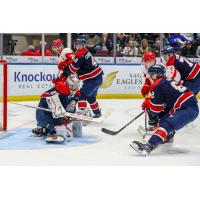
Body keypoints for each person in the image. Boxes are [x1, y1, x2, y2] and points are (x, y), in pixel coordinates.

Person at [130, 65, 199, 156]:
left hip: (187, 108)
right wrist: (150, 104)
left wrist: (148, 105)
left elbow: (155, 110)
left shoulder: (157, 85)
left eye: (150, 75)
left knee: (167, 124)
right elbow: (164, 105)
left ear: (155, 75)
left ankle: (148, 146)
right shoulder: (166, 81)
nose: (149, 77)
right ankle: (168, 137)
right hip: (186, 106)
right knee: (163, 119)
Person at [52, 38, 103, 118]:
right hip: (96, 78)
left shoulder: (79, 55)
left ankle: (82, 113)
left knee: (81, 96)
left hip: (92, 79)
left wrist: (65, 68)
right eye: (77, 44)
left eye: (80, 44)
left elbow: (73, 69)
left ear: (83, 45)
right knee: (91, 97)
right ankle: (97, 113)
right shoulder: (84, 51)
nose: (78, 46)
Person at [32, 73, 81, 143]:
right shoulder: (61, 88)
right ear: (67, 84)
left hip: (59, 114)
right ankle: (45, 128)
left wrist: (70, 116)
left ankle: (44, 129)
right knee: (56, 125)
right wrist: (53, 104)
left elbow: (70, 108)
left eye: (76, 86)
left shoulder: (77, 94)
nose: (74, 88)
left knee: (66, 122)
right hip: (45, 113)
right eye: (72, 86)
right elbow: (44, 96)